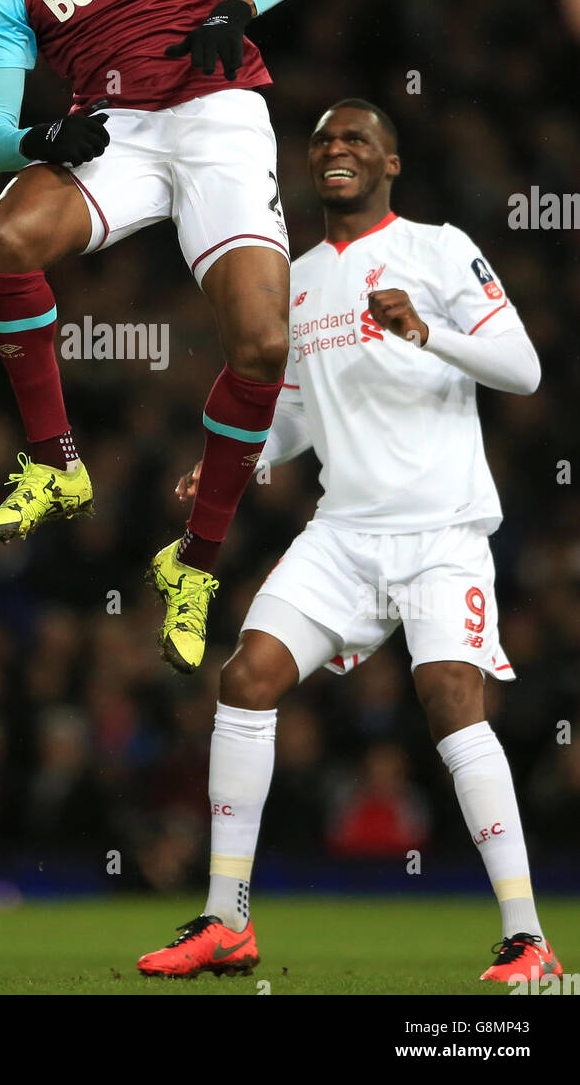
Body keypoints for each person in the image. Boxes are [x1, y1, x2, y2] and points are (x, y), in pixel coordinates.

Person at [137, 99, 561, 985]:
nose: (337, 150)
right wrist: (234, 465)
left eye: (356, 140)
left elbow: (522, 369)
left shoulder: (439, 249)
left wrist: (426, 329)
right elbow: (290, 416)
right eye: (324, 140)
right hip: (342, 533)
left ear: (389, 163)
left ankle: (527, 939)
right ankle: (226, 919)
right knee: (246, 676)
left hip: (441, 529)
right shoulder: (291, 281)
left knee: (451, 697)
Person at [0, 0, 329, 669]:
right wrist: (37, 138)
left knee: (260, 346)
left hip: (216, 112)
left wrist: (236, 8)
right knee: (4, 240)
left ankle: (194, 563)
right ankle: (55, 462)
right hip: (115, 129)